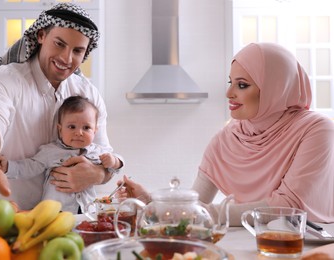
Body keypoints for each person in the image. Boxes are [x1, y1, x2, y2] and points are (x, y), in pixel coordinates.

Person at [117, 42, 334, 226]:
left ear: (277, 87)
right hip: (249, 244)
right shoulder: (227, 138)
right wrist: (150, 202)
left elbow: (286, 208)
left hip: (310, 246)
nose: (229, 93)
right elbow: (196, 202)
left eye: (242, 85)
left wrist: (207, 214)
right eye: (231, 83)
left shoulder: (317, 130)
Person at [0, 3, 122, 217]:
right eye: (59, 44)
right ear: (40, 36)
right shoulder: (6, 79)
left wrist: (96, 174)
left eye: (77, 51)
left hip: (71, 223)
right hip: (6, 222)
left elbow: (105, 157)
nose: (67, 59)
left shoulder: (88, 94)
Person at [0, 95, 122, 213]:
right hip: (55, 212)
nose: (79, 133)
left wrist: (115, 162)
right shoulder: (51, 151)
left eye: (86, 128)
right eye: (72, 127)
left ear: (95, 131)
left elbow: (117, 165)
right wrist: (8, 167)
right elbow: (30, 166)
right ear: (60, 130)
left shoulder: (98, 152)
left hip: (87, 210)